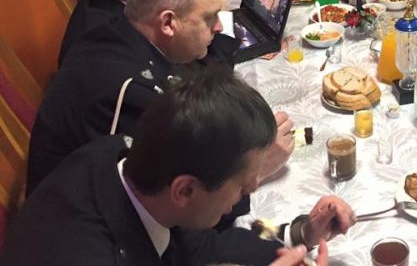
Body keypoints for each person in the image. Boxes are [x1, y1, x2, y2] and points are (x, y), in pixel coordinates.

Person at [1, 66, 355, 266]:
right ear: (185, 190)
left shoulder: (128, 163)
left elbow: (204, 246)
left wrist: (301, 234)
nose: (251, 189)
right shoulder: (87, 254)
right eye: (242, 185)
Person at [28, 0, 295, 196]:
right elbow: (173, 206)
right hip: (78, 219)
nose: (218, 27)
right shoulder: (133, 92)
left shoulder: (120, 28)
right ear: (167, 23)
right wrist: (254, 172)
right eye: (209, 18)